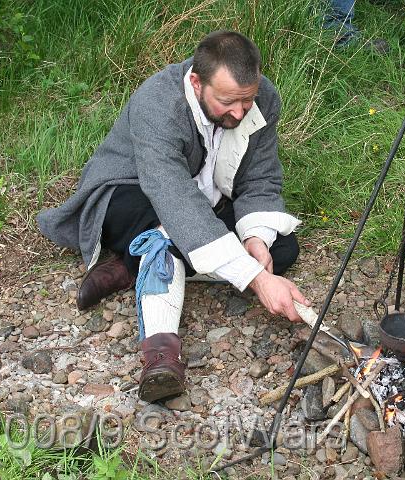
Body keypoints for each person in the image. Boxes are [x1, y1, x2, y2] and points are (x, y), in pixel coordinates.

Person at [37, 31, 310, 403]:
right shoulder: (157, 103)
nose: (240, 112)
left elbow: (260, 178)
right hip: (131, 194)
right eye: (228, 101)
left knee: (283, 249)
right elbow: (173, 197)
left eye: (247, 100)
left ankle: (132, 265)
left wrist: (254, 241)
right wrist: (257, 280)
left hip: (202, 200)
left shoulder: (262, 98)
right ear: (197, 82)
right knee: (163, 235)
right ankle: (160, 355)